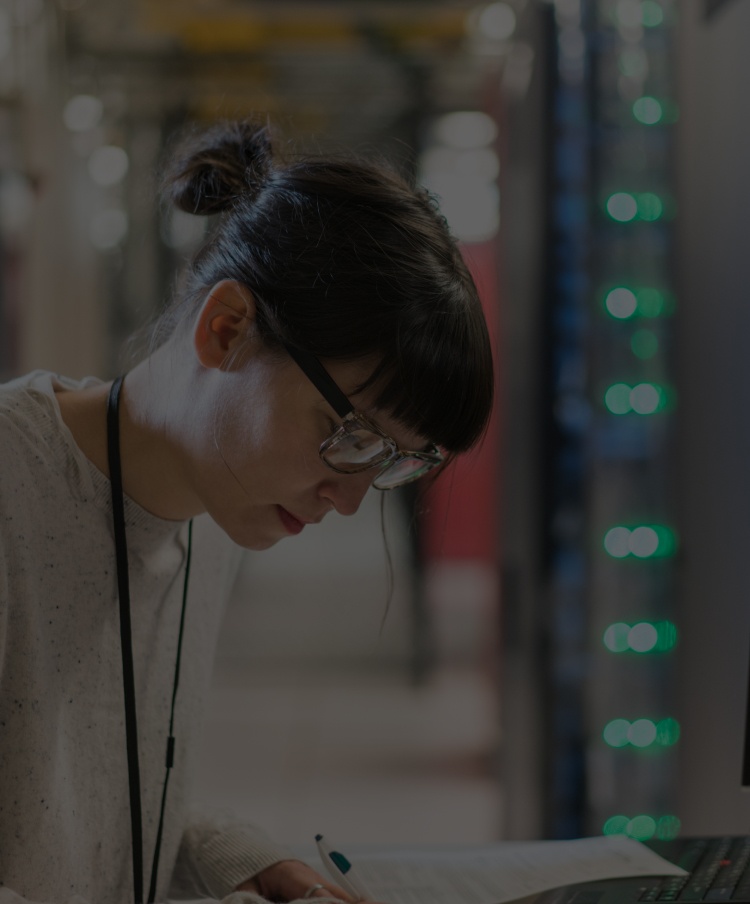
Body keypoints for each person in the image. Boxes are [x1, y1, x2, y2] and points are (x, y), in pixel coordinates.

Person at [0, 119, 494, 904]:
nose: (349, 499)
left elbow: (89, 799)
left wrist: (245, 861)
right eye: (352, 437)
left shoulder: (211, 513)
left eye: (394, 463)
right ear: (226, 330)